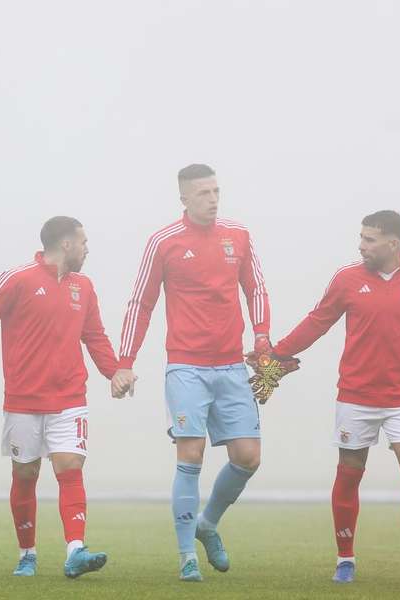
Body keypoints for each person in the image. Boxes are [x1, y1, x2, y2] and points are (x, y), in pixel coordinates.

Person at [112, 164, 270, 581]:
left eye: (216, 191)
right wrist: (124, 362)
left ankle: (207, 524)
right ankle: (187, 557)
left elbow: (255, 289)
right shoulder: (163, 242)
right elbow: (140, 304)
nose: (213, 199)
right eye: (203, 193)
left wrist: (262, 339)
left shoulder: (238, 235)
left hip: (233, 365)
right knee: (191, 454)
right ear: (184, 198)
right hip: (186, 366)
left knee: (248, 457)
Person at [0, 216, 117, 579]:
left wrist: (114, 372)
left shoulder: (84, 286)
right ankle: (27, 554)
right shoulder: (18, 279)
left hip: (70, 397)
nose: (87, 249)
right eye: (83, 241)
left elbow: (95, 336)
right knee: (25, 474)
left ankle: (75, 550)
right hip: (23, 400)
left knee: (70, 468)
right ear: (66, 244)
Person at [268, 210, 400, 585]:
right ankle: (345, 558)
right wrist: (277, 354)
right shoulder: (347, 279)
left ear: (394, 243)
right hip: (356, 396)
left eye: (370, 239)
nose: (361, 245)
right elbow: (317, 321)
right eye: (362, 237)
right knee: (350, 473)